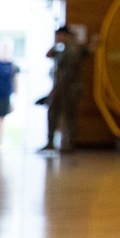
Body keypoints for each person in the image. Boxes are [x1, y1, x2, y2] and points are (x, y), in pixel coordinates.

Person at [40, 25, 93, 153]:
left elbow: (67, 74)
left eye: (60, 35)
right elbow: (48, 55)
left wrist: (56, 88)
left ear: (67, 36)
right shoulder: (62, 50)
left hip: (70, 89)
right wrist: (55, 44)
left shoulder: (73, 51)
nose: (58, 38)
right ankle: (51, 142)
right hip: (60, 88)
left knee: (70, 116)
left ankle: (70, 144)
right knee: (53, 113)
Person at [0, 38, 20, 148]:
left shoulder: (13, 66)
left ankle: (0, 142)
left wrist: (16, 99)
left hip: (5, 96)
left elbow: (16, 83)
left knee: (2, 119)